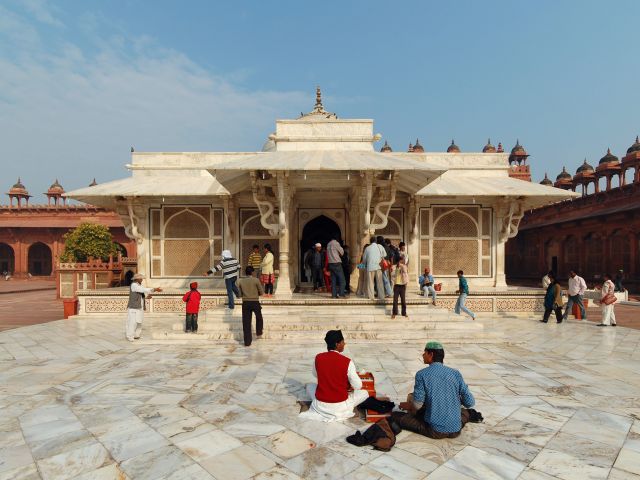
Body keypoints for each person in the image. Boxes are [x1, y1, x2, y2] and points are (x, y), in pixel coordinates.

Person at [390, 341, 475, 439]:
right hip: (456, 430)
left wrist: (409, 406)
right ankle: (466, 416)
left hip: (435, 430)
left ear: (431, 354)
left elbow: (417, 406)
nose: (423, 355)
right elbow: (470, 402)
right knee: (462, 412)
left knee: (396, 416)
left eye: (424, 352)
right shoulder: (455, 373)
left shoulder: (422, 374)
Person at [300, 330, 369, 422]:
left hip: (321, 406)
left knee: (309, 386)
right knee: (365, 393)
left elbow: (315, 374)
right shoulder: (347, 361)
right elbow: (358, 386)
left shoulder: (318, 357)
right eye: (342, 342)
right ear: (337, 344)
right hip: (340, 407)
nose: (344, 344)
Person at [125, 273, 161, 342]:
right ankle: (130, 336)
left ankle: (136, 335)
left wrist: (147, 297)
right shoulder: (134, 285)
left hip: (139, 307)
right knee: (132, 322)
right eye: (140, 278)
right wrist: (154, 289)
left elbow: (141, 295)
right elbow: (143, 290)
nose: (142, 280)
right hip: (134, 307)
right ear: (137, 279)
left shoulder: (139, 285)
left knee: (139, 321)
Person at [237, 266, 265, 345]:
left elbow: (239, 294)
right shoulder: (256, 280)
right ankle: (259, 332)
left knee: (246, 322)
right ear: (252, 272)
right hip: (255, 302)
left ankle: (247, 342)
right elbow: (261, 292)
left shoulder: (241, 281)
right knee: (259, 318)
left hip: (245, 303)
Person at [362, 237, 385, 301]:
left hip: (370, 267)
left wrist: (363, 265)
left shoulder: (367, 248)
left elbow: (364, 260)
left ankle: (371, 296)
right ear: (376, 241)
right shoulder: (380, 247)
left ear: (370, 241)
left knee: (370, 282)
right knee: (380, 282)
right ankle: (381, 296)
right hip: (378, 267)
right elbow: (384, 255)